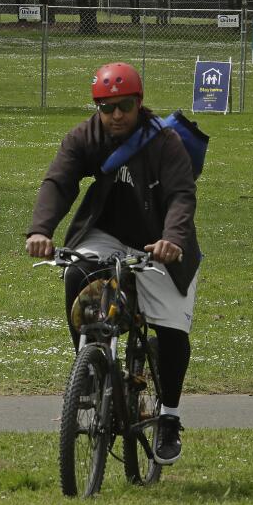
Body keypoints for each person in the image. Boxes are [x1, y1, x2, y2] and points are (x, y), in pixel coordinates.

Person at [25, 62, 200, 466]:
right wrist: (41, 230)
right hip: (106, 234)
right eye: (106, 107)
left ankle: (169, 417)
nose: (115, 115)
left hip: (161, 244)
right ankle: (87, 367)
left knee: (172, 330)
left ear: (138, 103)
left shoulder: (165, 142)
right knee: (77, 271)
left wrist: (172, 240)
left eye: (123, 106)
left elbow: (181, 196)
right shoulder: (86, 136)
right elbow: (59, 180)